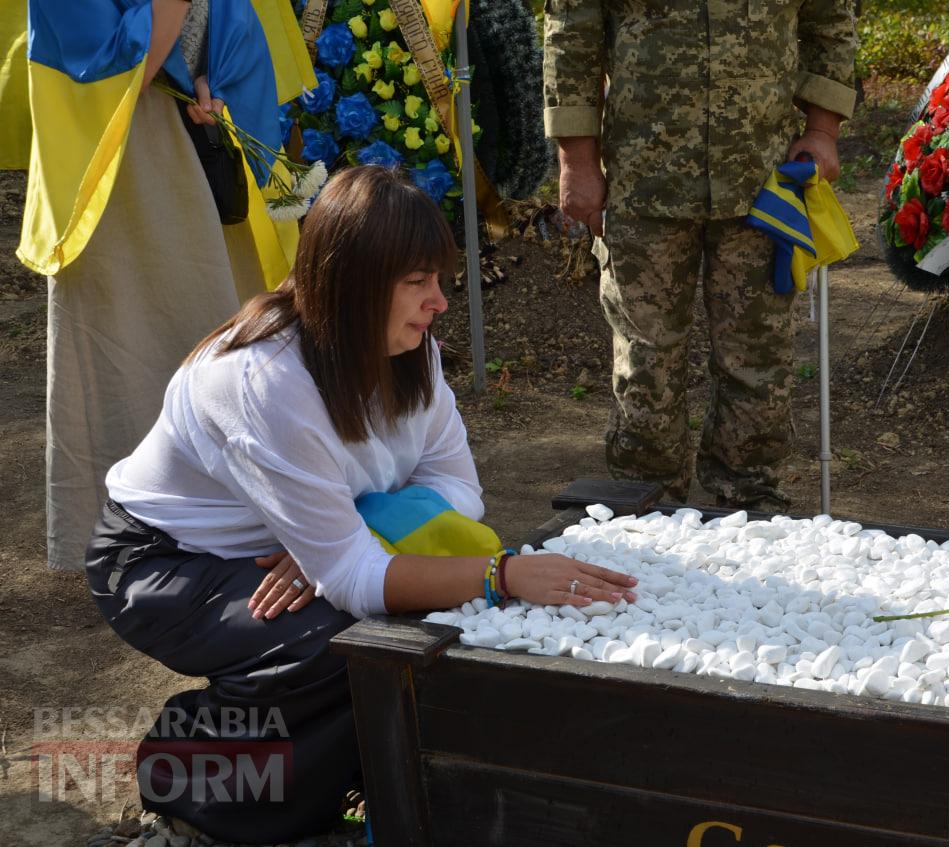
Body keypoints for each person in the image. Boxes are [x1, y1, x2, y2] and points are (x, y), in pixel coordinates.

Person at [85, 165, 638, 843]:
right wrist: (501, 575)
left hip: (292, 551)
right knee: (342, 639)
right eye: (417, 282)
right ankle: (190, 787)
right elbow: (355, 578)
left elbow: (458, 490)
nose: (440, 300)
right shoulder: (264, 380)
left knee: (406, 619)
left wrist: (356, 532)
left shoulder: (414, 355)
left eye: (440, 278)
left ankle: (322, 791)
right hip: (161, 563)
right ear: (353, 282)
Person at [21, 0, 310, 570]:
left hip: (199, 142)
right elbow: (97, 61)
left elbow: (224, 18)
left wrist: (214, 77)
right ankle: (134, 541)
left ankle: (234, 525)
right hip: (121, 165)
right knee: (134, 342)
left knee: (222, 332)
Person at [543, 0, 859, 511]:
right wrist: (577, 160)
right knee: (647, 358)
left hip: (761, 178)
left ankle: (750, 496)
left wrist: (822, 130)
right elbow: (572, 31)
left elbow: (830, 20)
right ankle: (644, 504)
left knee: (756, 351)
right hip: (645, 178)